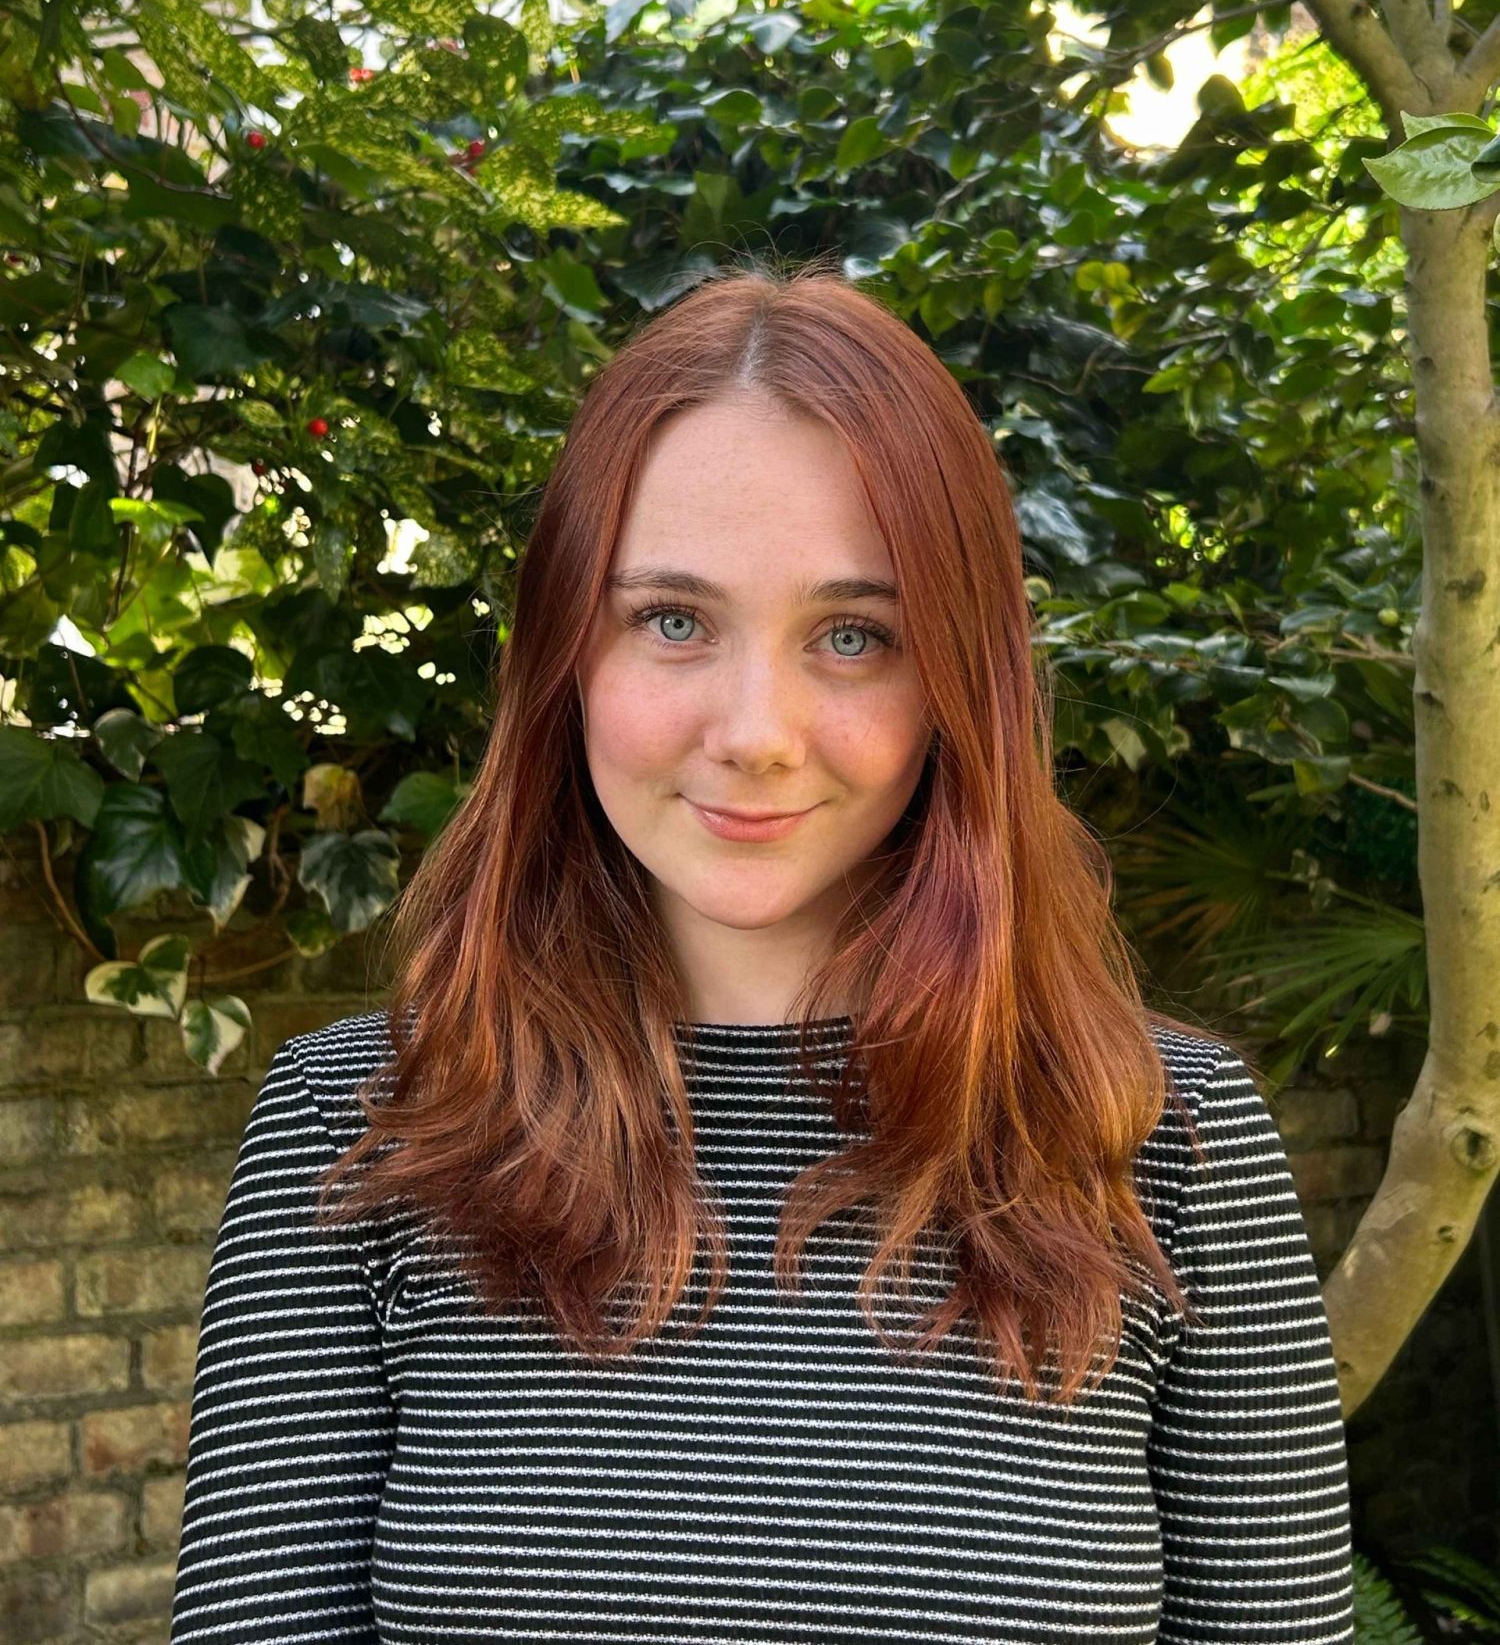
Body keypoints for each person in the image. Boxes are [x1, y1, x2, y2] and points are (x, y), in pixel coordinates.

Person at [169, 256, 1357, 1644]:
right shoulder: (358, 1127)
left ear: (958, 681)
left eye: (852, 636)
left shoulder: (1165, 1140)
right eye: (674, 621)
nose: (757, 729)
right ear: (566, 653)